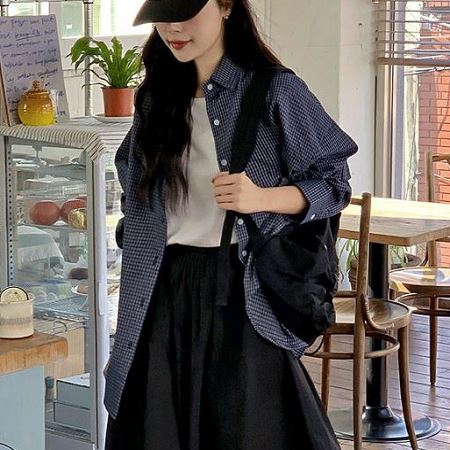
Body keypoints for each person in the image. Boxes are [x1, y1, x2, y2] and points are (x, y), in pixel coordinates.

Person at [104, 0, 357, 448]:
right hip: (161, 291)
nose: (172, 28)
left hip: (240, 293)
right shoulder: (155, 97)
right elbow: (137, 196)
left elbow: (334, 184)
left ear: (225, 6)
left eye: (185, 13)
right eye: (163, 17)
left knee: (247, 430)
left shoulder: (274, 90)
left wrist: (261, 199)